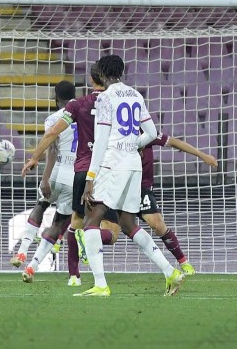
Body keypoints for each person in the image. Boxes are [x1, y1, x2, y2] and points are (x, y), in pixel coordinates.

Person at [75, 54, 185, 297]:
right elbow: (152, 132)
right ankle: (170, 272)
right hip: (134, 164)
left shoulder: (105, 98)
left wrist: (90, 177)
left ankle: (100, 285)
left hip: (113, 164)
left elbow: (101, 140)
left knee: (91, 220)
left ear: (101, 74)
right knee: (127, 224)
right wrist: (133, 144)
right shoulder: (135, 95)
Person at [22, 62, 121, 287]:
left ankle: (74, 277)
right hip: (106, 170)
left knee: (75, 221)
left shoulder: (77, 105)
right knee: (114, 230)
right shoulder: (115, 103)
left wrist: (35, 157)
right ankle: (89, 242)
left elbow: (52, 134)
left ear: (91, 80)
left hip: (80, 170)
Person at [13, 80, 77, 283]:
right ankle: (32, 267)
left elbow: (52, 149)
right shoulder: (85, 115)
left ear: (56, 98)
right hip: (76, 176)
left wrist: (45, 178)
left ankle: (22, 251)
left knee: (41, 204)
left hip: (58, 170)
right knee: (59, 223)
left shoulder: (54, 119)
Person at [139, 130, 218, 275]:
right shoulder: (115, 134)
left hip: (141, 189)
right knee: (112, 233)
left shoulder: (146, 131)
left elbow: (174, 142)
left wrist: (203, 155)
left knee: (158, 225)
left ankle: (183, 262)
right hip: (120, 187)